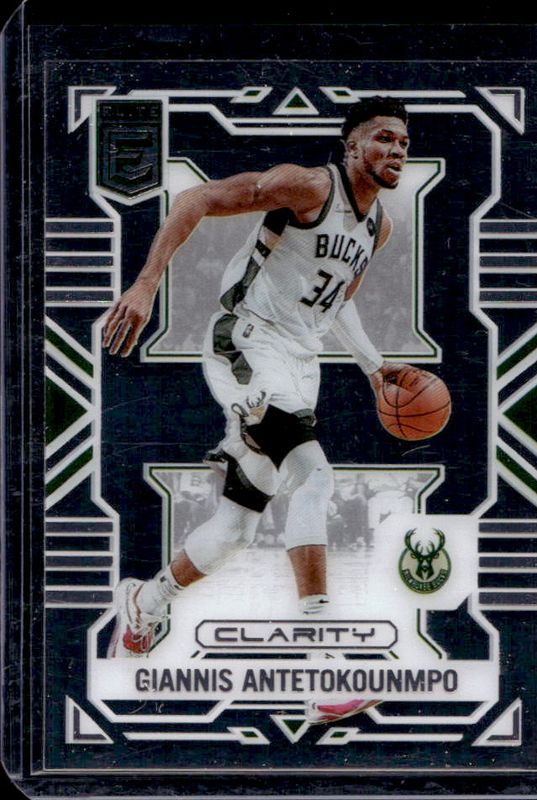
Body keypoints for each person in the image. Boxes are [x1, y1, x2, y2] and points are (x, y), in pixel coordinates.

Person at [102, 96, 411, 724]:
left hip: (298, 364)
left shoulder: (377, 227)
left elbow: (336, 304)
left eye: (404, 142)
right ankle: (323, 667)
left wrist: (375, 367)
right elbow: (197, 198)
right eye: (384, 138)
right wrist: (146, 282)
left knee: (238, 527)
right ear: (353, 145)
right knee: (314, 477)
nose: (397, 150)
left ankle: (145, 602)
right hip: (245, 342)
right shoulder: (309, 186)